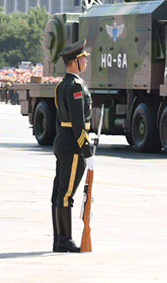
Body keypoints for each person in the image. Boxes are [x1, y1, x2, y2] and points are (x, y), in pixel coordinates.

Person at [50, 39, 95, 253]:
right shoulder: (76, 86)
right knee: (66, 193)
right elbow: (78, 123)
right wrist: (86, 149)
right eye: (83, 58)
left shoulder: (62, 84)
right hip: (73, 144)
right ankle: (65, 240)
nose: (86, 61)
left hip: (62, 140)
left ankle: (59, 239)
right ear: (75, 62)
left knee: (59, 192)